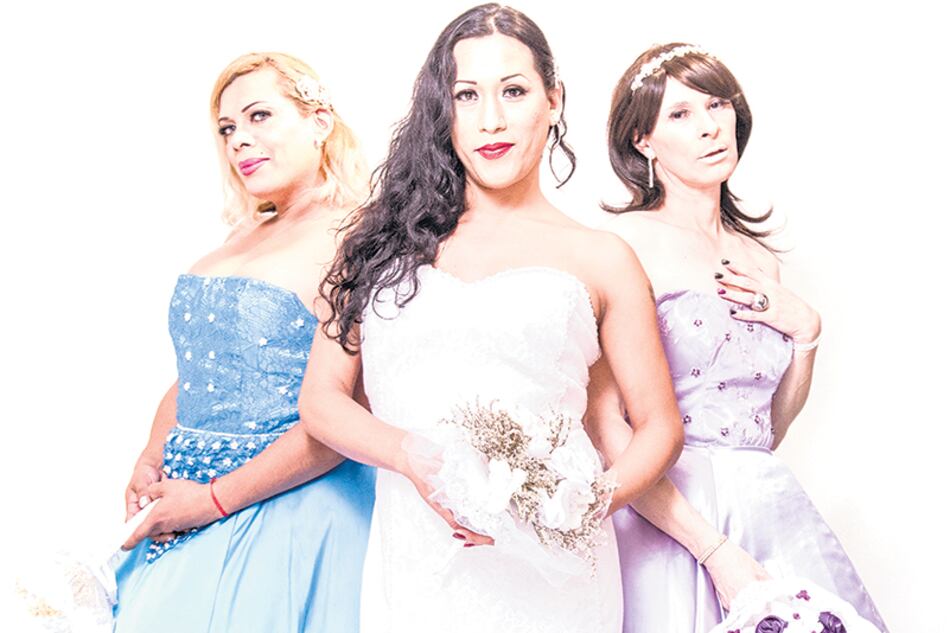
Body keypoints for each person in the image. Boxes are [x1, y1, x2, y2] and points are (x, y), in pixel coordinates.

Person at [298, 4, 684, 632]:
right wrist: (408, 454)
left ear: (554, 101)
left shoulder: (603, 257)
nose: (491, 120)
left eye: (514, 91)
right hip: (415, 565)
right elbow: (320, 400)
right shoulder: (379, 244)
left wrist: (580, 508)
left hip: (556, 577)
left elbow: (660, 426)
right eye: (467, 95)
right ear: (442, 110)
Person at [592, 43, 888, 631]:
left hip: (769, 505)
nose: (709, 127)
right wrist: (712, 550)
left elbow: (765, 430)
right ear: (643, 141)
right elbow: (604, 425)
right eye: (680, 114)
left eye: (717, 105)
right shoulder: (623, 247)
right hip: (671, 513)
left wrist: (807, 336)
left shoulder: (758, 259)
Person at [112, 52, 376, 632]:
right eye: (228, 128)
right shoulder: (243, 232)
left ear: (319, 122)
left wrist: (213, 499)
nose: (239, 140)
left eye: (259, 116)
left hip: (292, 507)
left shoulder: (361, 236)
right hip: (183, 505)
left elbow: (351, 412)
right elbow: (203, 366)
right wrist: (152, 455)